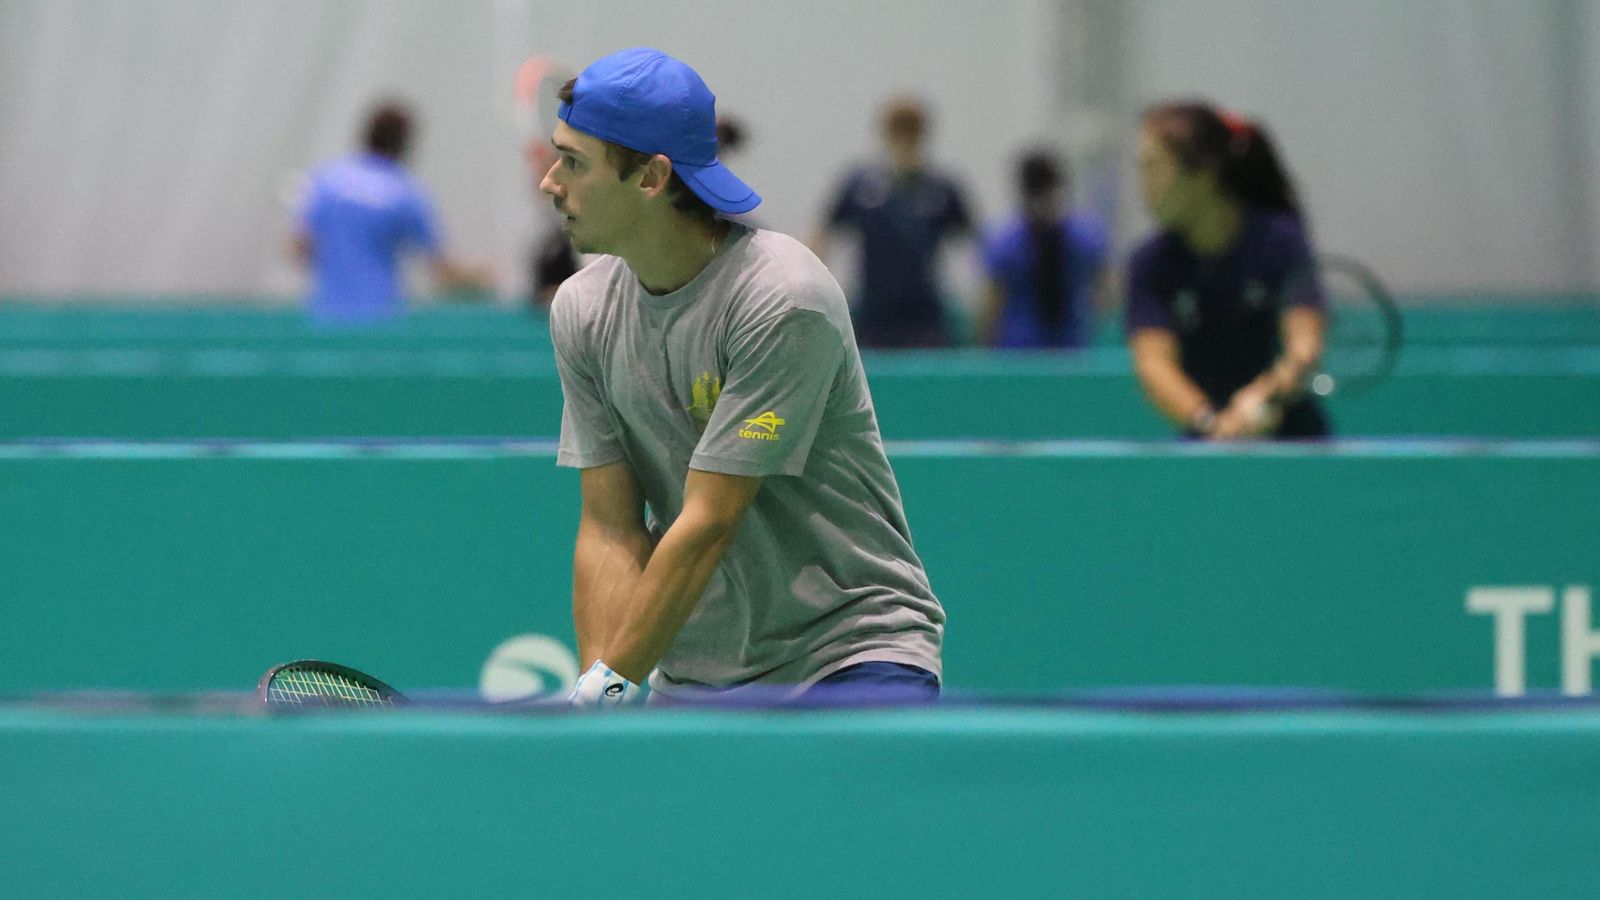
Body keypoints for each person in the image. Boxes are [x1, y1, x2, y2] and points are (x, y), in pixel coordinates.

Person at [540, 48, 944, 707]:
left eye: (574, 162)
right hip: (697, 676)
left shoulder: (781, 300)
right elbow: (611, 529)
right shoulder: (582, 311)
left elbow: (708, 520)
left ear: (651, 177)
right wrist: (599, 694)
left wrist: (609, 686)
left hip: (847, 656)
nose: (549, 181)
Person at [1125, 100, 1330, 439]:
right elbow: (1153, 364)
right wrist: (1211, 422)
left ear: (1204, 171)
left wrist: (1263, 399)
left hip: (1295, 440)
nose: (1143, 186)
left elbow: (1304, 347)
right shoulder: (1149, 263)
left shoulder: (1280, 242)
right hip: (1206, 443)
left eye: (1153, 167)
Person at [291, 102, 489, 323]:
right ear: (404, 143)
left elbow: (298, 248)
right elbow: (441, 268)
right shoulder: (404, 191)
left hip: (326, 316)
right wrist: (480, 278)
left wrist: (339, 267)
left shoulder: (327, 179)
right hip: (381, 318)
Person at [810, 97, 975, 348]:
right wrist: (816, 292)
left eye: (911, 133)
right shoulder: (860, 186)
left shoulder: (942, 189)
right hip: (873, 313)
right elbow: (822, 234)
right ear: (885, 135)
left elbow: (976, 243)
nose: (904, 141)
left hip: (925, 314)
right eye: (897, 133)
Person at [977, 149, 1109, 349]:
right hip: (1027, 348)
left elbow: (991, 304)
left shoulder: (1084, 235)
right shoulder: (1005, 241)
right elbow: (992, 302)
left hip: (1066, 345)